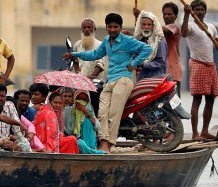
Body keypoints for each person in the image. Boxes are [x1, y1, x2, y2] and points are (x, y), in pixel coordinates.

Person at [64, 12, 152, 152]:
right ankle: (103, 141)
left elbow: (147, 48)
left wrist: (134, 63)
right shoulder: (106, 41)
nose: (112, 29)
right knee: (102, 113)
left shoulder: (126, 40)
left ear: (120, 27)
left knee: (114, 113)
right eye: (110, 27)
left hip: (123, 80)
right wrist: (74, 54)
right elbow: (95, 54)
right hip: (110, 80)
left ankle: (108, 144)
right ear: (106, 27)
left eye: (115, 27)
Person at [182, 0, 218, 141]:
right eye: (196, 9)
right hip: (197, 64)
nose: (199, 12)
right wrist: (186, 15)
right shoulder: (191, 26)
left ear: (205, 11)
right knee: (197, 100)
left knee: (210, 100)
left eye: (201, 9)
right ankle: (195, 133)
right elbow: (183, 33)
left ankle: (205, 131)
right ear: (192, 11)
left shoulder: (211, 27)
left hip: (211, 65)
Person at [134, 3, 183, 89]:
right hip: (149, 76)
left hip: (171, 70)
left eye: (169, 14)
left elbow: (158, 30)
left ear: (175, 16)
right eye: (164, 14)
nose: (166, 16)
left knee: (173, 100)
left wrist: (141, 17)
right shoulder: (145, 39)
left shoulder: (172, 29)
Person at [65, 88, 104, 154]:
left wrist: (85, 111)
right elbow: (67, 130)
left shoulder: (88, 110)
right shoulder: (68, 110)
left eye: (84, 99)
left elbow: (98, 127)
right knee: (80, 143)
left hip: (88, 142)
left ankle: (89, 150)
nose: (81, 101)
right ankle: (93, 152)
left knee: (87, 121)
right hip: (73, 140)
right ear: (75, 99)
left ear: (88, 100)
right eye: (79, 99)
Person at [133, 10, 168, 80]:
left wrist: (143, 64)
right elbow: (134, 57)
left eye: (149, 25)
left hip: (156, 78)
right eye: (144, 24)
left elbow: (161, 63)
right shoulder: (139, 41)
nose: (146, 27)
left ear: (153, 26)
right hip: (141, 77)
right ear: (141, 26)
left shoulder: (159, 41)